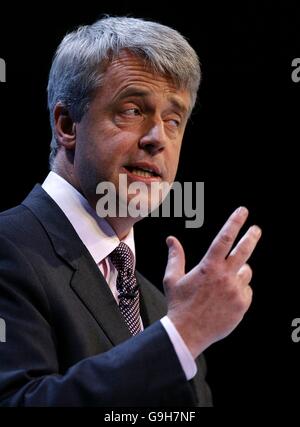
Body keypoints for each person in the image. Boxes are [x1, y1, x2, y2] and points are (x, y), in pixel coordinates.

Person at [0, 16, 261, 407]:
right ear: (67, 124)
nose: (158, 138)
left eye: (174, 120)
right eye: (133, 110)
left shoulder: (159, 306)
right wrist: (183, 333)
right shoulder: (8, 246)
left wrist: (179, 330)